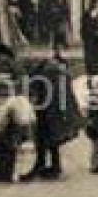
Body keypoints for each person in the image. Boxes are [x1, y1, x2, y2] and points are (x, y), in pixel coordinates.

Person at [21, 47, 77, 181]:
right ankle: (53, 166)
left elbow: (32, 88)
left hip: (49, 105)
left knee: (44, 133)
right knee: (50, 135)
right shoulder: (54, 67)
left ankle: (44, 166)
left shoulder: (44, 69)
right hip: (52, 105)